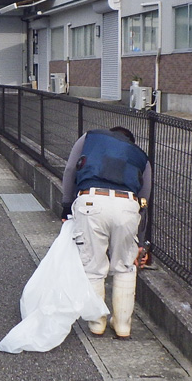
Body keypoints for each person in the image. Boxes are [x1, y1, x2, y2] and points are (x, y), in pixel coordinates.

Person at [60, 126, 151, 339]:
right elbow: (144, 200)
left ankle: (97, 323)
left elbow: (70, 170)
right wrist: (142, 242)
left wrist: (66, 204)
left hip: (91, 200)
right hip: (127, 206)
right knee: (125, 266)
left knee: (93, 266)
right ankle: (122, 326)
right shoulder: (141, 158)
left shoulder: (89, 138)